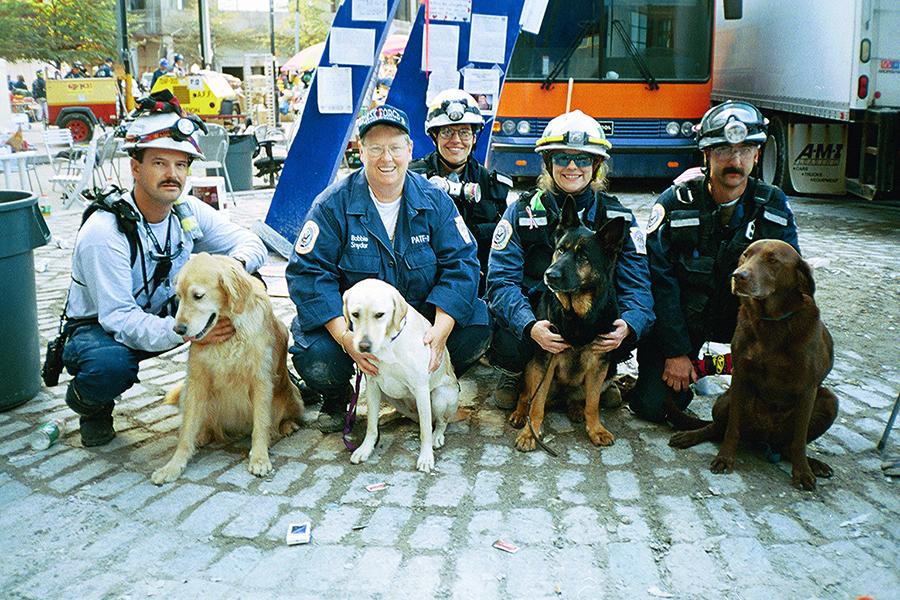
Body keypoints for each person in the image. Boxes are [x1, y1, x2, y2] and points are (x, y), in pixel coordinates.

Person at [60, 98, 268, 446]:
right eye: (159, 163)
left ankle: (254, 383)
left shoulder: (185, 209)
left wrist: (233, 270)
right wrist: (190, 333)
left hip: (169, 313)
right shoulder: (104, 232)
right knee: (108, 366)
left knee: (247, 287)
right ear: (136, 168)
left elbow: (251, 243)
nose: (173, 175)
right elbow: (120, 319)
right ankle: (90, 405)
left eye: (181, 164)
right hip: (103, 329)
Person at [286, 104, 492, 433]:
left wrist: (440, 331)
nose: (387, 158)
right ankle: (336, 397)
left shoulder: (435, 201)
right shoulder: (331, 205)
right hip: (358, 323)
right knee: (315, 353)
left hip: (416, 321)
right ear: (360, 151)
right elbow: (308, 274)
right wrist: (345, 337)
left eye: (395, 147)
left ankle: (423, 382)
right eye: (376, 148)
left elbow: (462, 263)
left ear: (409, 150)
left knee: (477, 323)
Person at [627, 100, 800, 425]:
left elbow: (788, 285)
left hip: (747, 324)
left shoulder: (774, 207)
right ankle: (686, 365)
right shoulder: (675, 204)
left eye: (745, 150)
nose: (735, 161)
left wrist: (765, 352)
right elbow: (659, 284)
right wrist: (676, 352)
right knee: (653, 407)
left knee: (765, 412)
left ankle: (731, 375)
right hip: (686, 322)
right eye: (723, 150)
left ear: (757, 155)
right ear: (706, 155)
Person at [485, 109, 655, 409]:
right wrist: (529, 326)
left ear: (597, 165)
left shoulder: (618, 218)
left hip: (592, 324)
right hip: (538, 322)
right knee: (508, 337)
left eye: (584, 159)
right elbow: (500, 283)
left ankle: (600, 379)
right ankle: (517, 373)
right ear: (549, 164)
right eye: (562, 158)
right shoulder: (521, 212)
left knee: (635, 328)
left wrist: (629, 325)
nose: (572, 166)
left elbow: (637, 284)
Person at [409, 89, 512, 293]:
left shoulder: (492, 185)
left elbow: (505, 245)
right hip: (423, 285)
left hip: (478, 285)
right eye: (447, 132)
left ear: (474, 138)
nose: (456, 140)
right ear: (434, 136)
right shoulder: (412, 179)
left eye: (464, 132)